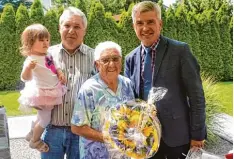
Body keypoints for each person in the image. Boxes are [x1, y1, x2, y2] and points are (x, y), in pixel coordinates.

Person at [124, 1, 206, 159]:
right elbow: (130, 100)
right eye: (139, 23)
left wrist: (197, 135)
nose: (145, 28)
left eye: (150, 22)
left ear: (160, 24)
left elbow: (196, 96)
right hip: (145, 139)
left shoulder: (180, 51)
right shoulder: (130, 59)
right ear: (134, 26)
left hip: (177, 137)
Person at [41, 7, 95, 159]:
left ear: (84, 30)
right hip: (52, 131)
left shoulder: (95, 57)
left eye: (77, 26)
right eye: (67, 25)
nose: (71, 30)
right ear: (59, 28)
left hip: (81, 132)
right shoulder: (47, 55)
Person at [71, 41, 135, 159]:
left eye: (115, 59)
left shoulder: (127, 84)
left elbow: (133, 115)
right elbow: (77, 127)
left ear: (121, 61)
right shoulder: (89, 89)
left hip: (124, 154)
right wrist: (110, 138)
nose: (111, 64)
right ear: (97, 65)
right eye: (105, 60)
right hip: (96, 155)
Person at [18, 24, 66, 152]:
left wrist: (60, 73)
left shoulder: (49, 54)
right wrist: (28, 68)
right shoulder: (31, 59)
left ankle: (31, 133)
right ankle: (35, 140)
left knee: (40, 116)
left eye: (47, 39)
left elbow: (56, 66)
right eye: (41, 40)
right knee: (45, 119)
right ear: (30, 43)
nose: (46, 43)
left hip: (53, 89)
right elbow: (25, 77)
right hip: (42, 93)